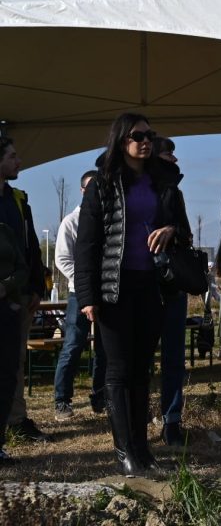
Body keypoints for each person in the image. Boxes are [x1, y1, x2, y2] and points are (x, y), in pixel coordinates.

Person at [75, 113, 192, 477]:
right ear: (121, 140)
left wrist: (171, 228)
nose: (146, 142)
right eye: (138, 136)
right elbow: (87, 245)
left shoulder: (164, 182)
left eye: (150, 136)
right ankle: (124, 452)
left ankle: (143, 451)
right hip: (113, 288)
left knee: (143, 371)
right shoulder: (103, 184)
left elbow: (185, 233)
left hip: (152, 285)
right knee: (119, 371)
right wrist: (87, 296)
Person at [0, 136, 50, 443]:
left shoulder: (18, 199)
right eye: (12, 156)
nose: (19, 161)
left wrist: (36, 287)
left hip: (18, 296)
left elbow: (30, 246)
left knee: (14, 359)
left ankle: (16, 420)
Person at [53, 170, 107, 421]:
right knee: (73, 346)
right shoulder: (71, 221)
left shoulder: (106, 218)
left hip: (106, 292)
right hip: (79, 293)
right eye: (92, 187)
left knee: (105, 348)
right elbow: (62, 259)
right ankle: (62, 400)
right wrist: (84, 281)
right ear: (83, 190)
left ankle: (100, 397)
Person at [153, 136, 191, 447]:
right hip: (139, 283)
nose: (174, 160)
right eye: (169, 154)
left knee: (174, 357)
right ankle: (135, 422)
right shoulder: (126, 187)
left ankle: (172, 421)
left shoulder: (173, 191)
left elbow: (187, 234)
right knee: (137, 359)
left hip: (172, 283)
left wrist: (173, 230)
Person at [0, 221, 29, 464]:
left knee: (7, 375)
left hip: (6, 311)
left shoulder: (5, 230)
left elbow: (23, 268)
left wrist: (6, 286)